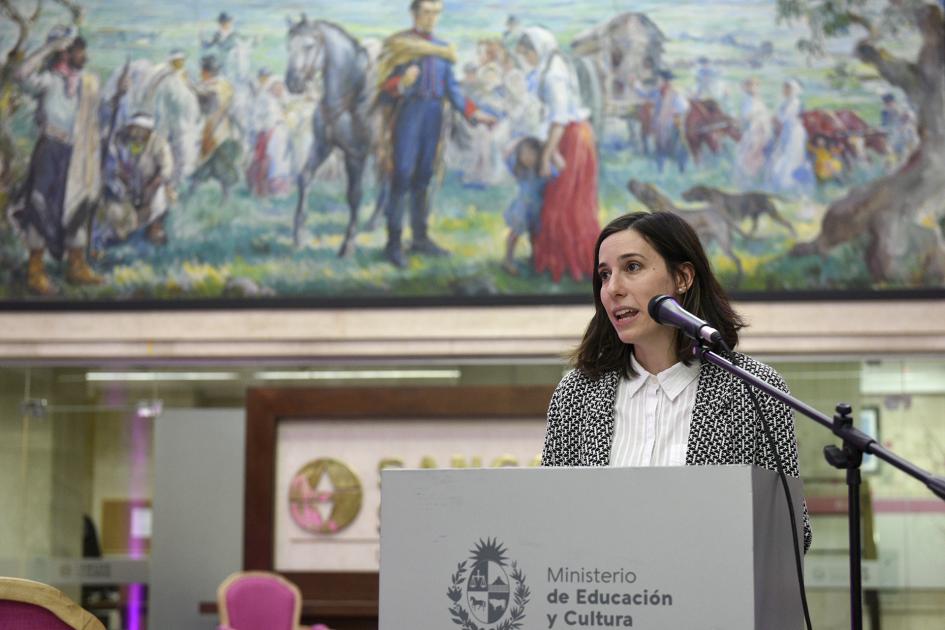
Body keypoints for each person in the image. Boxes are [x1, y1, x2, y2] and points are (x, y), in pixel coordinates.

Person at [541, 211, 812, 553]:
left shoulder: (753, 388)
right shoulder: (576, 395)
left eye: (632, 267)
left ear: (682, 277)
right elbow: (550, 520)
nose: (613, 289)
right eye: (605, 275)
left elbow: (790, 530)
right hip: (601, 598)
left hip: (712, 599)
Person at [376, 0, 496, 268]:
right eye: (426, 12)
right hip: (408, 114)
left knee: (424, 176)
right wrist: (401, 82)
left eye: (435, 13)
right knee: (402, 175)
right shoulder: (400, 47)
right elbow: (383, 87)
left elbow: (452, 90)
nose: (431, 18)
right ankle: (393, 244)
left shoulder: (443, 51)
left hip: (433, 117)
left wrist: (474, 113)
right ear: (414, 13)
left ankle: (419, 239)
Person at [13, 27, 103, 295]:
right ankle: (35, 271)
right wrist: (49, 48)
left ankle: (76, 267)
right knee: (41, 206)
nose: (84, 56)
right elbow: (20, 75)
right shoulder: (49, 81)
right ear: (65, 52)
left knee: (77, 206)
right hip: (50, 150)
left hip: (78, 153)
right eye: (79, 50)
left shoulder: (87, 82)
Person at [516, 26, 600, 283]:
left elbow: (559, 119)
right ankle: (561, 261)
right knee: (562, 201)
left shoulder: (554, 75)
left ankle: (568, 262)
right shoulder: (551, 68)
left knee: (564, 202)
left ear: (537, 50)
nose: (525, 59)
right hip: (568, 137)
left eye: (526, 54)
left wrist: (546, 156)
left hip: (570, 140)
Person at [101, 113, 174, 245]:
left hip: (152, 188)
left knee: (160, 196)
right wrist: (120, 174)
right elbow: (114, 164)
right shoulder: (122, 140)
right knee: (114, 208)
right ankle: (120, 232)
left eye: (139, 129)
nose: (135, 133)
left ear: (148, 131)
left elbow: (166, 170)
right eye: (132, 128)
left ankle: (155, 227)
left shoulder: (159, 143)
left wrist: (153, 184)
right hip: (129, 189)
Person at [190, 55, 241, 201]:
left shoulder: (221, 86)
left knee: (222, 167)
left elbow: (213, 105)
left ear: (208, 71)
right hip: (207, 130)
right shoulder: (207, 84)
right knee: (202, 168)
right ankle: (192, 193)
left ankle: (226, 199)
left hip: (219, 132)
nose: (201, 73)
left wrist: (197, 92)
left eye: (203, 70)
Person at [501, 136, 550, 274]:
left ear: (539, 155)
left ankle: (534, 258)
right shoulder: (520, 170)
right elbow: (505, 156)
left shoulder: (542, 170)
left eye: (531, 154)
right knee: (515, 234)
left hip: (537, 209)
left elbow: (558, 171)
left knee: (534, 235)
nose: (527, 158)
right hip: (521, 208)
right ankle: (508, 260)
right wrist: (516, 142)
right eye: (523, 154)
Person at [634, 69, 690, 173]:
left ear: (665, 81)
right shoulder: (656, 93)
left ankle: (681, 169)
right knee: (660, 148)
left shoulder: (675, 94)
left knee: (677, 148)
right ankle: (660, 171)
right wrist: (636, 86)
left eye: (660, 80)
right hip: (660, 127)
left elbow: (685, 107)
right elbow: (645, 95)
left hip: (672, 126)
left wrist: (673, 111)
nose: (658, 83)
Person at [765, 79, 813, 194]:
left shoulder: (794, 102)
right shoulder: (786, 102)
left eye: (788, 89)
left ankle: (790, 184)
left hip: (795, 133)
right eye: (784, 88)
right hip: (787, 131)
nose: (785, 91)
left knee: (791, 156)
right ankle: (782, 183)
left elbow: (783, 118)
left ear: (794, 90)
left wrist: (775, 118)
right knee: (782, 155)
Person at [733, 77, 771, 188]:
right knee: (745, 154)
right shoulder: (746, 100)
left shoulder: (758, 101)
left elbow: (762, 116)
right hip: (750, 132)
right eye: (748, 86)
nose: (751, 88)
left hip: (760, 131)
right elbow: (745, 117)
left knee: (758, 154)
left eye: (754, 86)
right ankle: (746, 180)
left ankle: (757, 179)